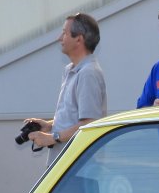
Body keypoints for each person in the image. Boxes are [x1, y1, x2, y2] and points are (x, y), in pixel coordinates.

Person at [26, 13, 108, 160]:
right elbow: (74, 118)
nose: (59, 38)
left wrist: (52, 138)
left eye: (64, 33)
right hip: (68, 163)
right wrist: (50, 126)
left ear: (79, 39)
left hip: (80, 165)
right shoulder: (71, 70)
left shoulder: (88, 73)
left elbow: (90, 124)